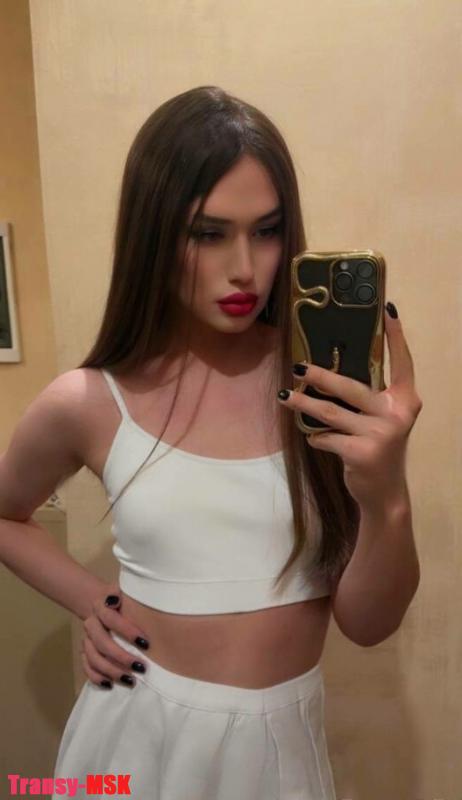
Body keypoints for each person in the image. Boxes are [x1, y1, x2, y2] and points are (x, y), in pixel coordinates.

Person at [0, 86, 422, 800]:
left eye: (267, 230)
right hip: (133, 736)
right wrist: (92, 599)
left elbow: (369, 624)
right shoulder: (90, 400)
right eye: (208, 233)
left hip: (280, 754)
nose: (245, 268)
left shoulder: (320, 388)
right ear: (153, 234)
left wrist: (387, 496)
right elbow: (7, 513)